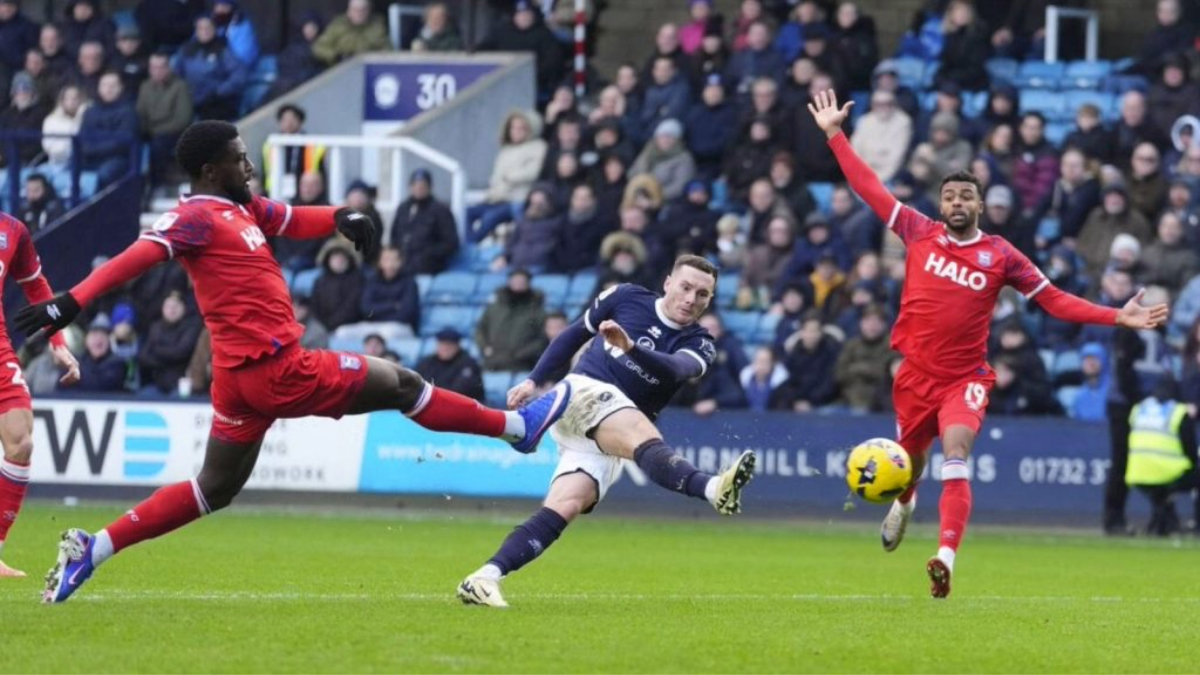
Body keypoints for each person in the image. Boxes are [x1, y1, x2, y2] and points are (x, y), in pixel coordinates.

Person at [17, 120, 574, 603]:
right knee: (402, 384)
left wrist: (340, 215)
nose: (249, 166)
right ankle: (517, 428)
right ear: (210, 170)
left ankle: (94, 548)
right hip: (278, 369)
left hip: (238, 380)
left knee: (214, 488)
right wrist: (72, 301)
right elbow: (137, 256)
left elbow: (290, 218)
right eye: (239, 158)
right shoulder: (195, 217)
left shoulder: (241, 207)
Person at [807, 89, 1169, 598]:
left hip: (965, 378)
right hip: (914, 375)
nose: (957, 203)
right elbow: (868, 186)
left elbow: (1054, 300)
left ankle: (944, 558)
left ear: (980, 204)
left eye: (966, 197)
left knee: (956, 452)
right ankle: (905, 502)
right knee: (910, 464)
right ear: (942, 204)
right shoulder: (918, 230)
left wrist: (1116, 316)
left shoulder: (1001, 255)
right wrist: (835, 136)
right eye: (950, 197)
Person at [456, 255, 757, 608]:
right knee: (642, 433)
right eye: (686, 287)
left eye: (702, 294)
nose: (691, 299)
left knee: (567, 505)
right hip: (582, 394)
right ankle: (711, 487)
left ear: (710, 300)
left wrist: (631, 348)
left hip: (604, 433)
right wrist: (533, 379)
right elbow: (574, 334)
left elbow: (676, 368)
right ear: (668, 283)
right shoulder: (625, 297)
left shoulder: (701, 342)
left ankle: (484, 577)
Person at [1125, 378, 1199, 535]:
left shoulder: (1138, 409)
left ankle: (1164, 522)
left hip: (1136, 474)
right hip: (1167, 474)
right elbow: (1190, 450)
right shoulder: (1179, 412)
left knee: (1160, 491)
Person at [415, 328, 484, 402]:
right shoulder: (428, 362)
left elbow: (461, 390)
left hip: (460, 404)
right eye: (442, 344)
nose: (445, 348)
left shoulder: (468, 363)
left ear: (457, 346)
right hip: (432, 402)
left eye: (449, 345)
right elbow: (416, 383)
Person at [311, 0, 389, 66]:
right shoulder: (338, 25)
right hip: (341, 68)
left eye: (363, 10)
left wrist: (375, 57)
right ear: (349, 10)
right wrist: (336, 56)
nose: (359, 13)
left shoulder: (377, 25)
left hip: (368, 67)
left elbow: (387, 49)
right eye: (355, 10)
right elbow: (319, 47)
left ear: (369, 10)